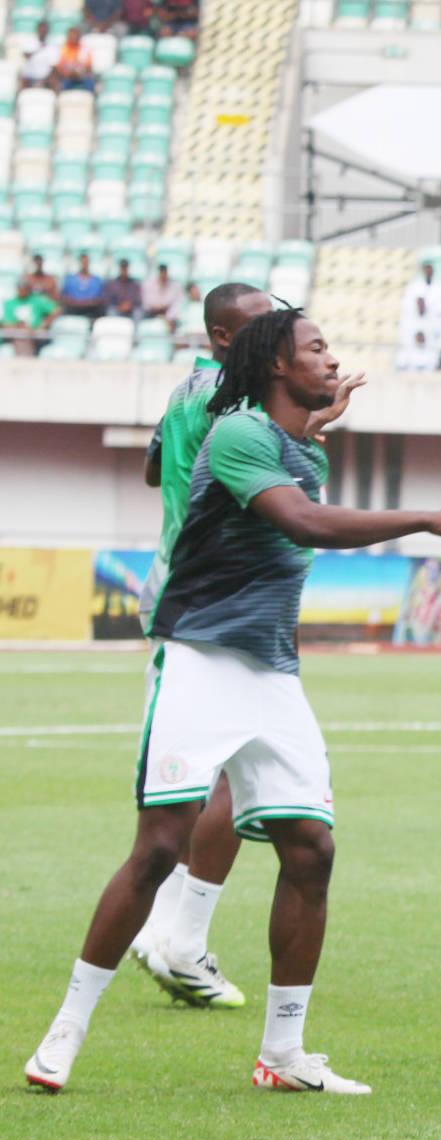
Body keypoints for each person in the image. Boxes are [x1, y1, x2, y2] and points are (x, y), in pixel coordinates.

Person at [22, 310, 441, 1095]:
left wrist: (313, 427)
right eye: (315, 347)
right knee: (159, 848)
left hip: (272, 672)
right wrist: (423, 517)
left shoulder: (296, 444)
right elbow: (302, 521)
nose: (331, 355)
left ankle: (283, 1055)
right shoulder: (237, 433)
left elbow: (300, 486)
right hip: (201, 658)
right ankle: (63, 1032)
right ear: (275, 364)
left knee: (311, 848)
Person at [121, 282, 283, 1009]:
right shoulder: (245, 407)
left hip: (184, 586)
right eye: (260, 331)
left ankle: (166, 930)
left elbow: (155, 470)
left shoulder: (188, 388)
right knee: (222, 774)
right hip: (216, 596)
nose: (274, 343)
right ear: (223, 338)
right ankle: (176, 939)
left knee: (207, 770)